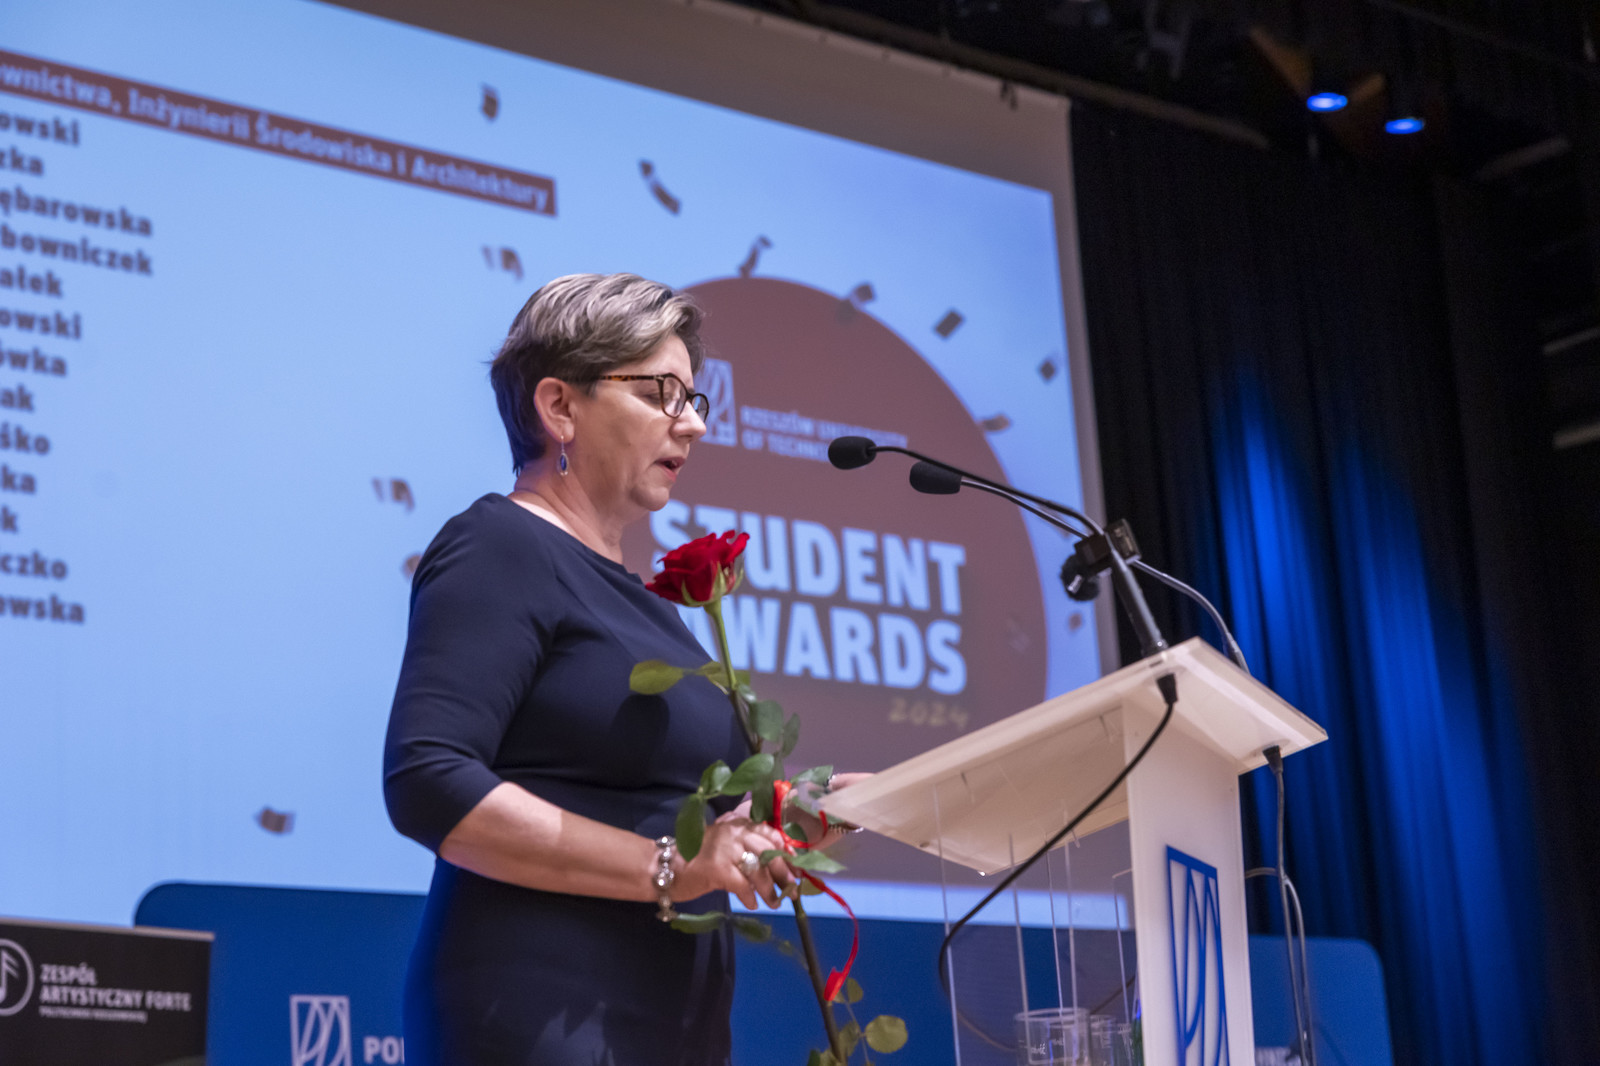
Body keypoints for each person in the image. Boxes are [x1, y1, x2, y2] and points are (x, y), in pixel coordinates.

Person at [385, 273, 844, 1066]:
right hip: (541, 1015)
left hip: (667, 1028)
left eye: (694, 399)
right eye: (663, 393)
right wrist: (668, 868)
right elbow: (428, 779)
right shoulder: (501, 545)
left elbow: (688, 811)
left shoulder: (647, 608)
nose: (692, 423)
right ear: (560, 406)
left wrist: (810, 809)